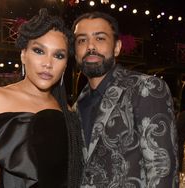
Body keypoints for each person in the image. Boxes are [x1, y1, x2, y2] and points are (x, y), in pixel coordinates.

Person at [0, 9, 83, 188]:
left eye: (58, 55)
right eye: (39, 51)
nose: (48, 63)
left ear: (65, 66)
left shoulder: (67, 113)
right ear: (23, 55)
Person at [72, 11, 178, 187]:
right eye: (81, 40)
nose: (90, 46)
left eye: (100, 38)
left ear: (117, 47)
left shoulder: (146, 88)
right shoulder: (78, 104)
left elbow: (162, 170)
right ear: (75, 52)